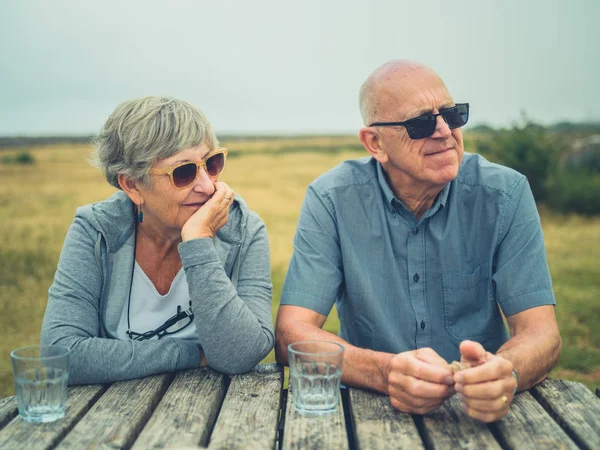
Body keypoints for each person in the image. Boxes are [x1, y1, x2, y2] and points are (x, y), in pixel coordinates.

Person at [275, 60, 561, 423]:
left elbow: (542, 333)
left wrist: (505, 371)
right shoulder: (331, 199)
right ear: (375, 143)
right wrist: (384, 372)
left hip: (478, 416)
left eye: (452, 115)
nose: (444, 131)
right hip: (369, 413)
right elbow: (291, 336)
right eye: (421, 123)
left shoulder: (505, 193)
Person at [41, 96, 274, 384]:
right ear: (132, 184)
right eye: (184, 172)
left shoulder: (243, 229)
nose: (206, 185)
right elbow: (61, 355)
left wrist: (198, 244)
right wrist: (188, 354)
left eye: (211, 163)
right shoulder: (96, 231)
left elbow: (241, 354)